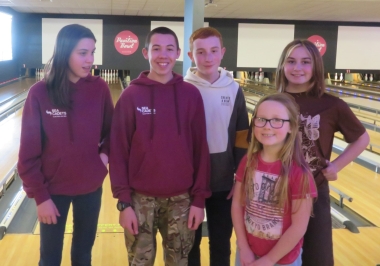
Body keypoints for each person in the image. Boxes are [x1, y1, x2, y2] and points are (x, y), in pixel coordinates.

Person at [109, 26, 211, 266]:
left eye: (168, 49)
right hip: (139, 199)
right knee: (139, 262)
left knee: (179, 262)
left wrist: (199, 200)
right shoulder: (131, 96)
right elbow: (118, 151)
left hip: (182, 200)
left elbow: (200, 151)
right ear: (145, 52)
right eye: (156, 49)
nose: (162, 55)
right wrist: (123, 202)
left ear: (177, 53)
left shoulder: (190, 95)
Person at [17, 24, 114, 265]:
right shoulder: (40, 93)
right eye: (83, 53)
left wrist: (101, 159)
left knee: (83, 255)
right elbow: (28, 155)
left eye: (92, 52)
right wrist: (40, 198)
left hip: (90, 189)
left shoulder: (99, 88)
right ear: (64, 52)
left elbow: (112, 132)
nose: (90, 59)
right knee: (49, 258)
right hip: (52, 192)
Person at [276, 39, 370, 266]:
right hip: (275, 193)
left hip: (314, 192)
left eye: (305, 62)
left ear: (316, 66)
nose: (298, 67)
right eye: (291, 61)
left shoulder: (332, 105)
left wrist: (337, 165)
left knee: (316, 258)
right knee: (277, 258)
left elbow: (362, 138)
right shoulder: (273, 102)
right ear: (282, 65)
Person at [184, 26, 249, 266]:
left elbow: (243, 136)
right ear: (191, 56)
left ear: (222, 53)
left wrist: (239, 177)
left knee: (221, 244)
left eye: (213, 51)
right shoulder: (183, 88)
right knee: (190, 244)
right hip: (189, 182)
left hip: (224, 182)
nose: (207, 57)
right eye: (200, 52)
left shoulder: (233, 89)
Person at [232, 93, 317, 266]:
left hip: (282, 260)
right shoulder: (248, 162)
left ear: (291, 127)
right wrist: (243, 248)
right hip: (247, 254)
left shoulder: (299, 173)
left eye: (277, 120)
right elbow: (237, 205)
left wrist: (269, 260)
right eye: (261, 119)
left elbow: (298, 227)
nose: (267, 126)